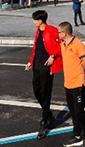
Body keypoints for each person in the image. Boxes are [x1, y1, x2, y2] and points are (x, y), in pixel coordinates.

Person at [24, 10, 62, 139]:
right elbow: (35, 49)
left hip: (47, 68)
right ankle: (48, 114)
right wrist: (30, 61)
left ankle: (44, 122)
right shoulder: (38, 32)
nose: (33, 22)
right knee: (37, 92)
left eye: (35, 20)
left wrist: (53, 55)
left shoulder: (52, 30)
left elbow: (61, 44)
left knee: (46, 94)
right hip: (37, 67)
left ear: (40, 21)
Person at [58, 21, 85, 147]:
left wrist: (78, 72)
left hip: (77, 83)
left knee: (79, 111)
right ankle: (77, 134)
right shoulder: (62, 44)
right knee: (72, 111)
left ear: (65, 33)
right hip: (68, 83)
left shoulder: (78, 44)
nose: (58, 34)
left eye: (59, 32)